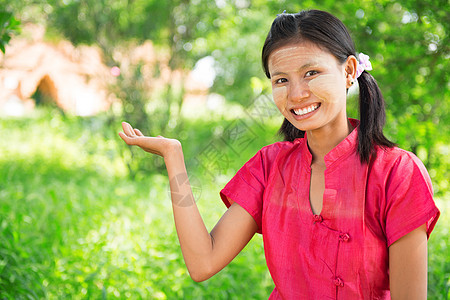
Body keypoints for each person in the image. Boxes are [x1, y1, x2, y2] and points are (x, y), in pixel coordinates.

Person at [119, 9, 440, 299]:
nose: (297, 93)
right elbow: (203, 262)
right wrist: (173, 157)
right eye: (281, 80)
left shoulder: (397, 172)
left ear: (348, 71)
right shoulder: (269, 166)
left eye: (311, 72)